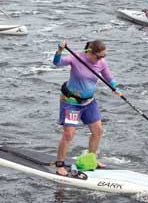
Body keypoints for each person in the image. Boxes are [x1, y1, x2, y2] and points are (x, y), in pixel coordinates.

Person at [52, 40, 121, 177]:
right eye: (99, 56)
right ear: (89, 52)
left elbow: (108, 78)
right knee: (69, 134)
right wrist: (59, 50)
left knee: (98, 131)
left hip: (89, 102)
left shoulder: (101, 63)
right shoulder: (75, 57)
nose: (101, 59)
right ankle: (59, 164)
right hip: (71, 102)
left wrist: (115, 87)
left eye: (103, 56)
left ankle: (92, 159)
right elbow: (57, 63)